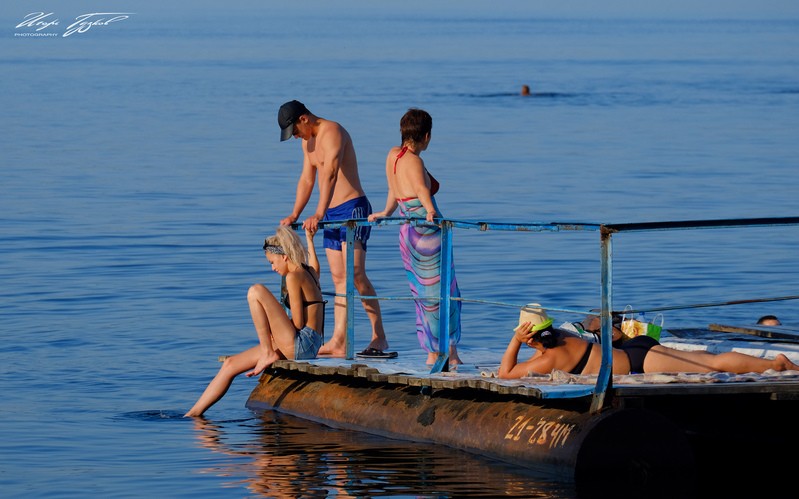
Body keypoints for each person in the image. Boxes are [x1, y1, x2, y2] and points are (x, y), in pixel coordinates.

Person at [277, 100, 389, 358]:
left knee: (356, 274)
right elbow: (307, 179)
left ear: (304, 119)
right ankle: (340, 340)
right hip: (329, 212)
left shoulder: (333, 132)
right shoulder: (308, 143)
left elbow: (331, 173)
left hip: (352, 209)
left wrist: (317, 212)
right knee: (339, 278)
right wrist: (295, 213)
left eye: (294, 131)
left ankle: (379, 336)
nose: (295, 137)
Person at [185, 227, 324, 417]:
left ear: (284, 256)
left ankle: (267, 352)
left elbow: (298, 324)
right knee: (230, 364)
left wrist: (275, 335)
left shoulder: (293, 276)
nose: (273, 268)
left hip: (302, 343)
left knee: (255, 291)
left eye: (272, 262)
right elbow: (317, 268)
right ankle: (193, 414)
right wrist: (310, 240)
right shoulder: (308, 272)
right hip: (308, 342)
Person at [368, 108, 462, 367]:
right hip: (428, 234)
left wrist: (385, 213)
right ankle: (450, 354)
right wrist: (432, 211)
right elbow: (422, 190)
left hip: (407, 232)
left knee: (423, 294)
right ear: (427, 136)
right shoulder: (415, 161)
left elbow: (393, 188)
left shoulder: (393, 156)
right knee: (446, 293)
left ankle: (431, 352)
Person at [499, 305, 799, 380]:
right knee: (700, 357)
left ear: (527, 337)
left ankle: (776, 364)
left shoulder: (547, 359)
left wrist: (514, 342)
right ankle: (768, 362)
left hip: (637, 362)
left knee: (712, 364)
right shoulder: (565, 335)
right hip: (632, 348)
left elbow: (505, 374)